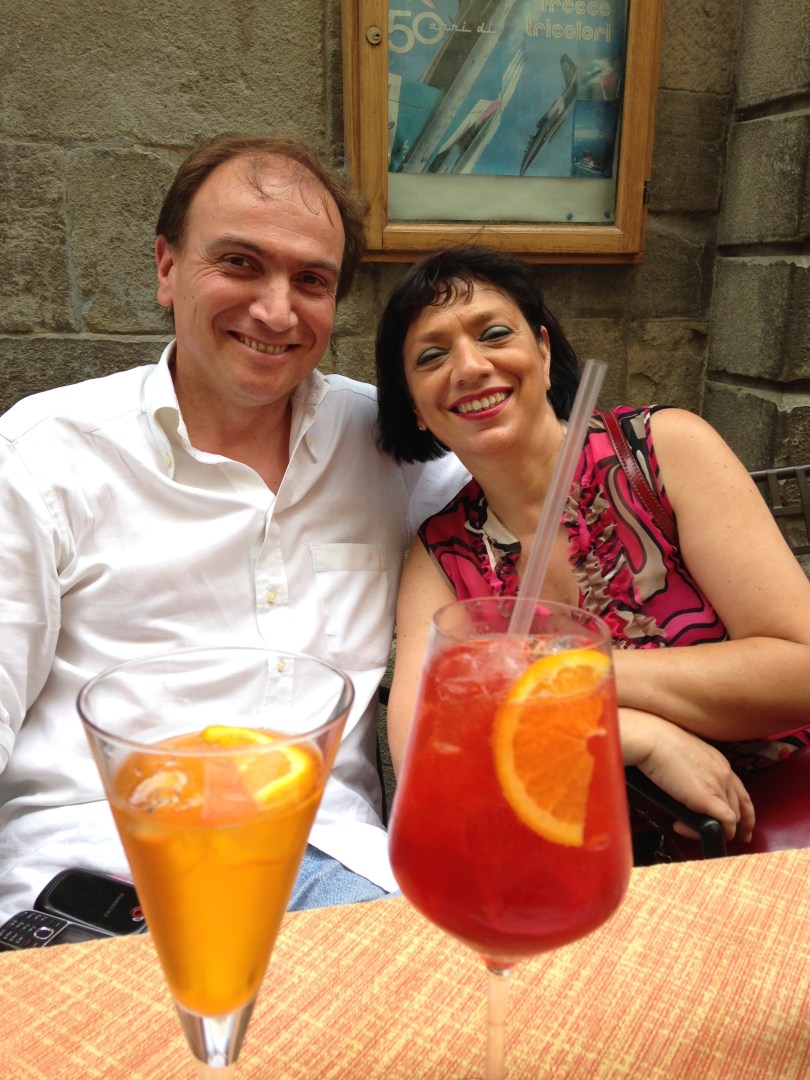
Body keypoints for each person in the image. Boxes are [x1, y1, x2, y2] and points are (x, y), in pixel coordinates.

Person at [0, 134, 468, 922]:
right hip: (105, 873)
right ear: (166, 268)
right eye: (241, 263)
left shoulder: (389, 445)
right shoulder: (43, 456)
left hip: (330, 872)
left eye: (311, 280)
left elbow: (541, 527)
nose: (277, 311)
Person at [376, 245, 810, 845]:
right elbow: (425, 767)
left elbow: (800, 666)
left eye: (494, 333)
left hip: (778, 823)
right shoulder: (442, 558)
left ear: (543, 352)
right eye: (431, 356)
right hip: (578, 846)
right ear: (416, 407)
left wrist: (570, 677)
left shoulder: (661, 453)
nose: (470, 366)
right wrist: (620, 731)